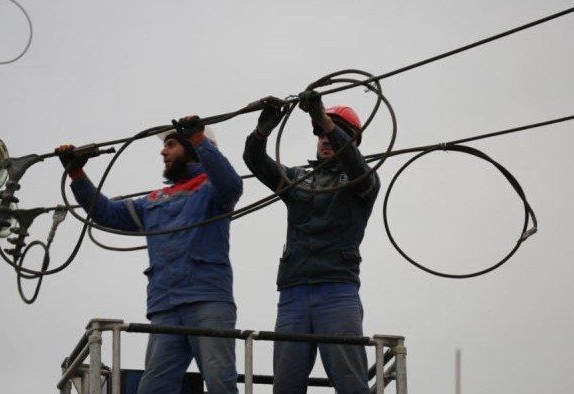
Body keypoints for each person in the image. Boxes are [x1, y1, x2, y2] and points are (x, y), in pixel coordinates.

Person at [57, 116, 243, 394]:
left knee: (220, 382)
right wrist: (77, 175)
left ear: (192, 147)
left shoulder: (213, 191)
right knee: (153, 388)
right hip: (165, 306)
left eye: (171, 144)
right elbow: (105, 212)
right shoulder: (154, 200)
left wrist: (200, 139)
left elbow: (231, 184)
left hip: (207, 299)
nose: (163, 151)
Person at [242, 92, 380, 393]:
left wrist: (325, 121)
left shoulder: (364, 179)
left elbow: (358, 171)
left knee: (351, 382)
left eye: (336, 132)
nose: (325, 137)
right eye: (318, 131)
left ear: (354, 141)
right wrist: (261, 131)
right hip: (293, 293)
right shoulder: (297, 178)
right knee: (286, 385)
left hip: (337, 291)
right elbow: (255, 161)